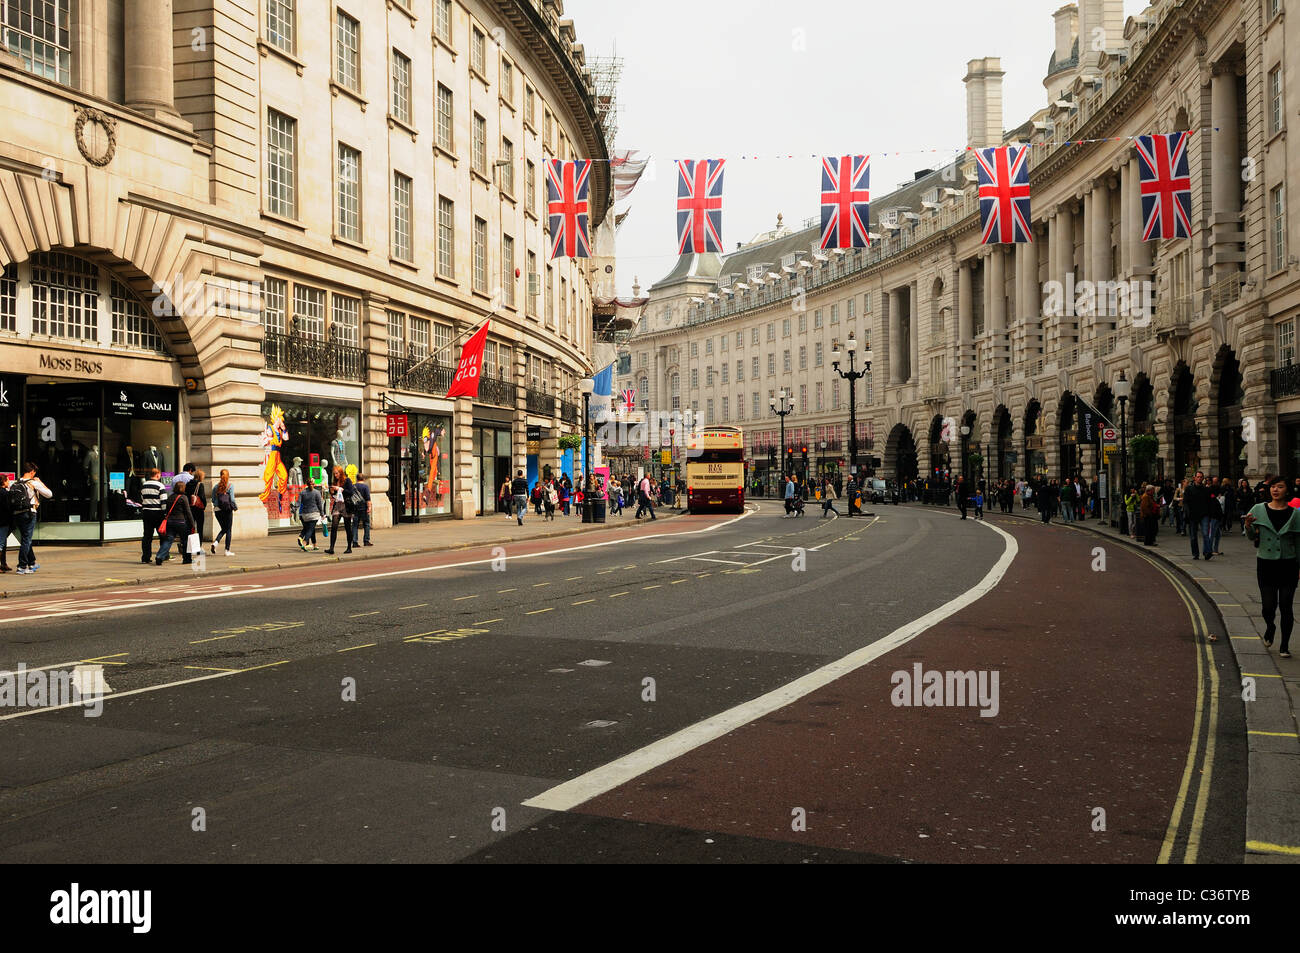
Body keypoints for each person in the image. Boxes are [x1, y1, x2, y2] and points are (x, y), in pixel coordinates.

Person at [1244, 476, 1300, 658]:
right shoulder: (1258, 509)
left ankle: (1284, 645)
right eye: (1273, 487)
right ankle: (1270, 627)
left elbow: (1298, 543)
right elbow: (1251, 537)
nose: (1275, 490)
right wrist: (1248, 526)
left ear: (1287, 490)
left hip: (1288, 564)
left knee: (1286, 606)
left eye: (1280, 487)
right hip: (1266, 563)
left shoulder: (1296, 514)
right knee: (1268, 606)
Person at [12, 462, 53, 574]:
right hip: (30, 513)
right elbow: (49, 494)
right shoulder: (33, 483)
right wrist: (40, 482)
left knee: (25, 539)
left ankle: (32, 563)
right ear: (32, 472)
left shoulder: (17, 482)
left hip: (17, 514)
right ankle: (21, 566)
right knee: (26, 540)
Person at [155, 478, 196, 564]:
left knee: (168, 540)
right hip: (181, 522)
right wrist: (192, 524)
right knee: (185, 541)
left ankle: (159, 556)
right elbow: (188, 512)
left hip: (170, 522)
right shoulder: (183, 498)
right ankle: (187, 559)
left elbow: (167, 510)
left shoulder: (170, 497)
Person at [136, 467, 166, 564]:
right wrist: (165, 513)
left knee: (147, 536)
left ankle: (145, 557)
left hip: (146, 512)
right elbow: (164, 502)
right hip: (158, 513)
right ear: (157, 475)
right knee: (162, 535)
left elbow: (141, 498)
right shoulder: (160, 486)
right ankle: (162, 555)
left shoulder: (144, 485)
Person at [1183, 470, 1213, 560]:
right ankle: (1195, 553)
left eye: (1201, 477)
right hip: (1193, 515)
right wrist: (1188, 513)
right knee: (1193, 536)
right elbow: (1185, 502)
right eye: (1198, 477)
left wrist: (1210, 514)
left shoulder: (1207, 490)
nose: (1199, 478)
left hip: (1204, 514)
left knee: (1205, 534)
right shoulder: (1189, 489)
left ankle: (1207, 552)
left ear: (1203, 478)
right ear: (1194, 478)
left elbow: (1210, 502)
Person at [324, 466, 353, 555]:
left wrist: (340, 489)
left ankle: (349, 547)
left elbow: (350, 492)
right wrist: (332, 491)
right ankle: (331, 548)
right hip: (337, 506)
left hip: (346, 506)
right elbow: (334, 495)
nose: (335, 475)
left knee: (347, 527)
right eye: (334, 473)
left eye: (337, 473)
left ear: (341, 472)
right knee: (334, 526)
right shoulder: (335, 482)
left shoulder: (347, 480)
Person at [211, 469, 238, 555]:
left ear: (220, 476)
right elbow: (232, 499)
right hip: (227, 510)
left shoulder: (216, 487)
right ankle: (227, 550)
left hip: (217, 510)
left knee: (224, 528)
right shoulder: (230, 486)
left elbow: (213, 500)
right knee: (228, 529)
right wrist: (235, 507)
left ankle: (215, 543)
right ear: (228, 476)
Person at [297, 480, 323, 551]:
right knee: (310, 529)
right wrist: (322, 514)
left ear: (306, 484)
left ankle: (315, 545)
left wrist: (294, 508)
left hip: (305, 515)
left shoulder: (302, 492)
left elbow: (298, 503)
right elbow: (320, 504)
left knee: (312, 529)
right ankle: (304, 543)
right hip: (314, 514)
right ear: (314, 484)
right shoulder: (317, 492)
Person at [353, 473, 372, 546]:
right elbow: (368, 498)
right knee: (366, 524)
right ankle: (366, 541)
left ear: (357, 479)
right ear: (364, 479)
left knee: (355, 525)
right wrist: (369, 507)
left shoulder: (353, 486)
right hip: (363, 508)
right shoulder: (365, 487)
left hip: (355, 508)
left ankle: (355, 542)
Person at [0, 474, 10, 573]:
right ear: (3, 482)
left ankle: (3, 563)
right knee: (1, 544)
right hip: (3, 521)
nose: (9, 482)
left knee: (3, 543)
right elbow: (8, 507)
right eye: (7, 480)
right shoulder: (5, 494)